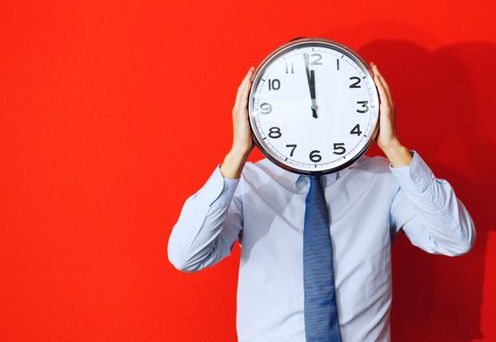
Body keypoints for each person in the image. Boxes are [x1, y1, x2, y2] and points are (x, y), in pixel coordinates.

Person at [167, 63, 476, 342]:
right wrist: (236, 155)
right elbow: (187, 256)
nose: (312, 112)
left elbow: (456, 239)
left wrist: (394, 148)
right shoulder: (247, 182)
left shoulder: (386, 180)